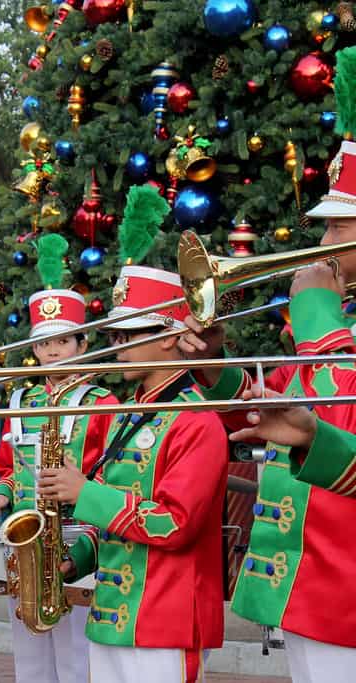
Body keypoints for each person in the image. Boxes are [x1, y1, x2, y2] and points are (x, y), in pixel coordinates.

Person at [177, 140, 356, 683]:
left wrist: (318, 315)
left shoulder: (327, 328)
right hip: (306, 582)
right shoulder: (336, 328)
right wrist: (214, 366)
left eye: (339, 230)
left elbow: (340, 418)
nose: (321, 245)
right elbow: (275, 407)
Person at [39, 265, 226, 683]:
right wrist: (71, 562)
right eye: (114, 336)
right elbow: (114, 522)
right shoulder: (131, 414)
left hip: (165, 619)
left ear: (171, 336)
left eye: (128, 336)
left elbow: (174, 524)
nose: (117, 347)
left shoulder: (197, 421)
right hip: (111, 616)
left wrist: (83, 493)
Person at [0, 287, 117, 683]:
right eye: (45, 343)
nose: (53, 351)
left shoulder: (102, 402)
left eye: (63, 340)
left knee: (77, 650)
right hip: (24, 537)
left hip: (77, 534)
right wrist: (1, 492)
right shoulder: (20, 400)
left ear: (82, 343)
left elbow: (111, 474)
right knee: (28, 647)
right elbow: (10, 468)